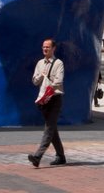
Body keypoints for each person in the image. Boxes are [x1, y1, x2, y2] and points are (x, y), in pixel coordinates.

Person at [28, 38, 66, 167]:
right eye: (43, 47)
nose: (45, 49)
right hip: (43, 100)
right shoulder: (39, 63)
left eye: (48, 47)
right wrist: (40, 76)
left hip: (54, 99)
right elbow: (35, 81)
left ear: (53, 48)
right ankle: (61, 156)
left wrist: (49, 90)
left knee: (49, 128)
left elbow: (59, 81)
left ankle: (37, 156)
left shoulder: (59, 63)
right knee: (52, 129)